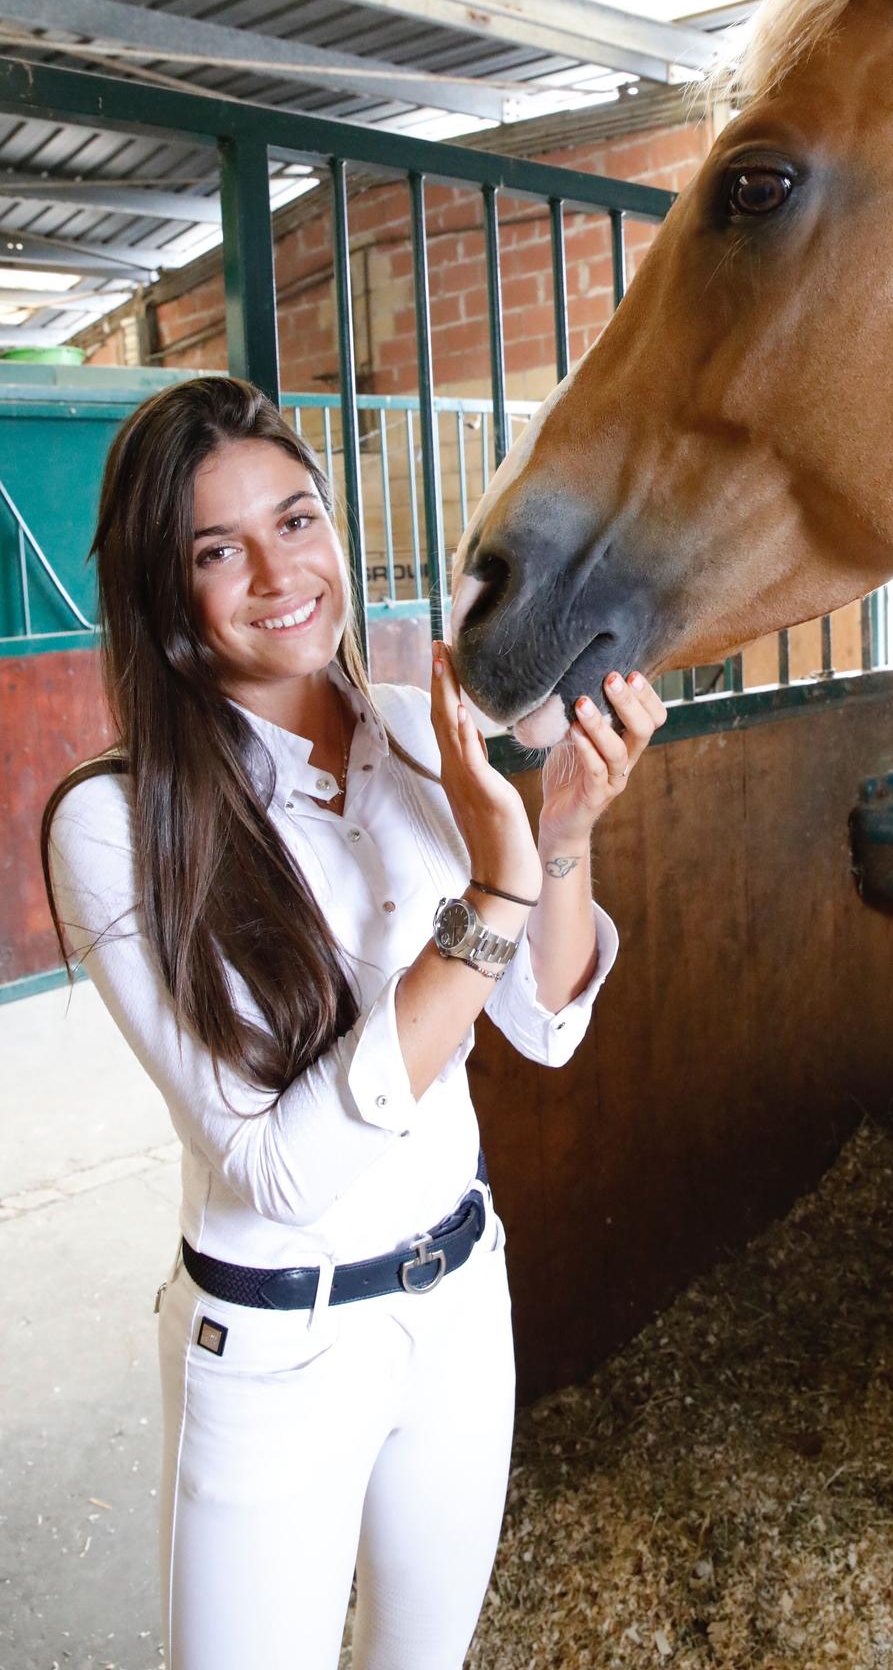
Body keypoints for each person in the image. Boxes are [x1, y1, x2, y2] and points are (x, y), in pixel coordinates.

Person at [40, 374, 666, 1670]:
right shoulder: (116, 823)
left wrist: (558, 838)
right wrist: (490, 895)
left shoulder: (416, 737)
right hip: (277, 1352)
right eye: (218, 550)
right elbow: (274, 1166)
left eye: (298, 519)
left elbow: (545, 1025)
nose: (279, 573)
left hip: (456, 1302)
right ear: (165, 592)